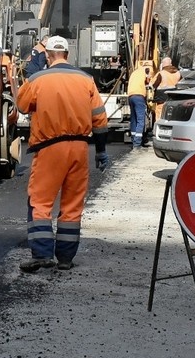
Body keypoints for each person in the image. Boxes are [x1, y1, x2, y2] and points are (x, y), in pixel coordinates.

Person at [16, 35, 110, 272]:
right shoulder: (86, 80)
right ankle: (66, 259)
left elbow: (21, 105)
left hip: (50, 148)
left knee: (40, 202)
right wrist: (100, 151)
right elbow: (99, 119)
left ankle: (42, 254)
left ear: (48, 55)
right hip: (80, 148)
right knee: (73, 204)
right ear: (68, 54)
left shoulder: (38, 79)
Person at [127, 61, 151, 149]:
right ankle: (137, 143)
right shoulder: (145, 71)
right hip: (139, 96)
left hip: (131, 96)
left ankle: (133, 139)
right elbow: (149, 82)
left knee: (134, 119)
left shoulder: (135, 72)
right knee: (140, 120)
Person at [151, 57, 181, 123]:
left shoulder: (161, 73)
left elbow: (153, 85)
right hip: (174, 98)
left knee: (160, 114)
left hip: (162, 99)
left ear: (163, 64)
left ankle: (158, 127)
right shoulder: (178, 73)